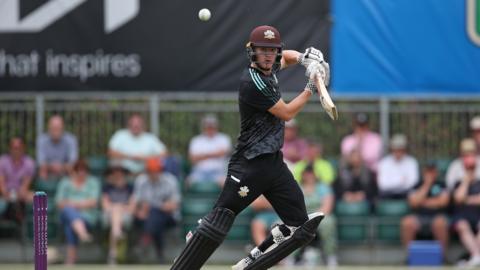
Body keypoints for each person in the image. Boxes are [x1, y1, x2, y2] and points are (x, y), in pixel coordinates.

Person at [170, 25, 330, 270]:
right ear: (252, 52)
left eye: (272, 50)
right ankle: (195, 243)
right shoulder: (252, 81)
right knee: (220, 219)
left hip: (274, 164)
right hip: (249, 164)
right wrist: (311, 87)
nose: (268, 56)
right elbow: (286, 113)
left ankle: (250, 261)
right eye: (262, 50)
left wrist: (304, 59)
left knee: (301, 229)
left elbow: (285, 57)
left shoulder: (271, 66)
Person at [134, 158, 180, 262]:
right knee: (154, 219)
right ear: (147, 171)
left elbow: (174, 205)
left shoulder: (170, 180)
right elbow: (137, 202)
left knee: (156, 213)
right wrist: (140, 211)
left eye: (156, 170)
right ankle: (160, 256)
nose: (154, 173)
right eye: (151, 171)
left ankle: (145, 239)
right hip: (147, 217)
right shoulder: (141, 181)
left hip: (169, 216)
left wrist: (159, 206)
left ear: (161, 170)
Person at [400, 162, 449, 260]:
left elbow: (443, 202)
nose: (430, 174)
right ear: (423, 173)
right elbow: (414, 203)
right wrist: (427, 185)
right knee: (407, 222)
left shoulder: (442, 185)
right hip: (418, 216)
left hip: (436, 216)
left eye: (432, 171)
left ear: (436, 172)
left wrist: (423, 201)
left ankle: (441, 257)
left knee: (440, 223)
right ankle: (410, 257)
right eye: (428, 172)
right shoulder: (416, 185)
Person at [55, 160, 100, 265]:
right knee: (68, 211)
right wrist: (81, 204)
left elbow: (93, 202)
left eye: (84, 170)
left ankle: (70, 261)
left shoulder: (93, 182)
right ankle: (83, 234)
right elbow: (59, 203)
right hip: (65, 214)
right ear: (74, 171)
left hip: (87, 217)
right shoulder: (65, 182)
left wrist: (72, 203)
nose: (81, 173)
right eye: (78, 170)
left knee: (71, 224)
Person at [297, 165, 338, 267]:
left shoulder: (323, 187)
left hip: (321, 216)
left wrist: (313, 218)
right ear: (303, 175)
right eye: (307, 174)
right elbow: (292, 205)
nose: (309, 176)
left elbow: (327, 206)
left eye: (311, 174)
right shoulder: (297, 187)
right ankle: (290, 258)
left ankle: (330, 256)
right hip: (300, 217)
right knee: (288, 225)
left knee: (328, 223)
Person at [451, 150, 480, 267]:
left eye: (472, 168)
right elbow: (458, 198)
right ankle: (476, 256)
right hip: (462, 216)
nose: (470, 170)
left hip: (477, 215)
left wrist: (467, 200)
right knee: (462, 225)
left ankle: (475, 256)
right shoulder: (459, 182)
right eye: (468, 168)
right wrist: (466, 181)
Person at [101, 165, 135, 265]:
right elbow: (105, 206)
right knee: (115, 212)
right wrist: (116, 207)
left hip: (126, 215)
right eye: (115, 172)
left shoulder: (130, 188)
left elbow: (132, 207)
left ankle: (113, 254)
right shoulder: (107, 187)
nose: (118, 175)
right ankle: (117, 232)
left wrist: (120, 207)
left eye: (120, 173)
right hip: (109, 214)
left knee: (116, 215)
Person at [188, 114, 232, 186]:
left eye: (212, 126)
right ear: (204, 127)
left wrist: (202, 156)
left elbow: (224, 153)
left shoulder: (224, 138)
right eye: (208, 126)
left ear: (216, 127)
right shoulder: (196, 140)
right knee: (188, 182)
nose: (210, 128)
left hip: (219, 171)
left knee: (227, 183)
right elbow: (193, 158)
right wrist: (214, 154)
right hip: (199, 172)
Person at [0, 137, 35, 223]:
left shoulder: (29, 163)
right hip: (4, 195)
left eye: (18, 148)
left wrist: (15, 196)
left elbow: (24, 187)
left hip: (21, 195)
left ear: (23, 148)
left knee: (34, 197)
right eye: (14, 148)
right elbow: (2, 186)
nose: (16, 150)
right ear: (10, 148)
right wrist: (9, 195)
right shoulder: (2, 161)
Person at [377, 134, 419, 199]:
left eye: (400, 149)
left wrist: (393, 181)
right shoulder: (384, 163)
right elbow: (383, 184)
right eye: (396, 149)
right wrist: (401, 181)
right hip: (387, 194)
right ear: (392, 149)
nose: (398, 152)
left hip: (406, 193)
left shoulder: (412, 162)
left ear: (405, 149)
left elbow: (413, 182)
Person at [37, 115, 78, 180]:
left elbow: (73, 161)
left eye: (58, 128)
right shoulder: (42, 140)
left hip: (66, 171)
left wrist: (61, 167)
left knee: (73, 170)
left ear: (63, 128)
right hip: (48, 171)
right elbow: (41, 161)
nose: (56, 131)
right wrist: (52, 166)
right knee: (42, 170)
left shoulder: (71, 139)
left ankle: (73, 188)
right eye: (53, 128)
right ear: (49, 128)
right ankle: (43, 187)